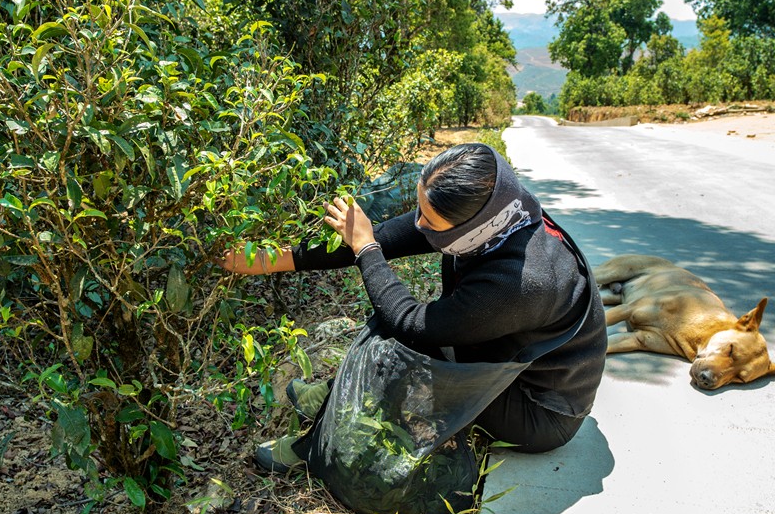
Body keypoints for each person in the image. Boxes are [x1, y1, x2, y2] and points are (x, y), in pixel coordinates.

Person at [219, 142, 606, 471]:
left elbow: (409, 322)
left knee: (399, 352)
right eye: (419, 208)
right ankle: (332, 395)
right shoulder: (497, 213)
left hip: (538, 411)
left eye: (428, 218)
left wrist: (366, 249)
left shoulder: (519, 281)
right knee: (391, 324)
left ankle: (317, 448)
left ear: (468, 225)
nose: (418, 222)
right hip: (506, 358)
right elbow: (382, 236)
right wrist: (274, 259)